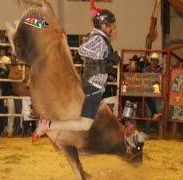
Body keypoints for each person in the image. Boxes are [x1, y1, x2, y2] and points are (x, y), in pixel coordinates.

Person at [32, 8, 120, 140]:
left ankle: (46, 125)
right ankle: (47, 125)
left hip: (94, 86)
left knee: (85, 123)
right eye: (110, 25)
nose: (112, 28)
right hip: (93, 87)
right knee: (84, 125)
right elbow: (82, 50)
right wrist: (105, 55)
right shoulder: (98, 38)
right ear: (103, 25)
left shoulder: (99, 37)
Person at [141, 53, 163, 136]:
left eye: (155, 61)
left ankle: (160, 132)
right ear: (150, 61)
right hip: (148, 94)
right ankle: (147, 132)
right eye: (152, 60)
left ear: (157, 62)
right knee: (148, 114)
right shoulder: (145, 70)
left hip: (158, 95)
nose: (154, 62)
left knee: (159, 113)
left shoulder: (161, 70)